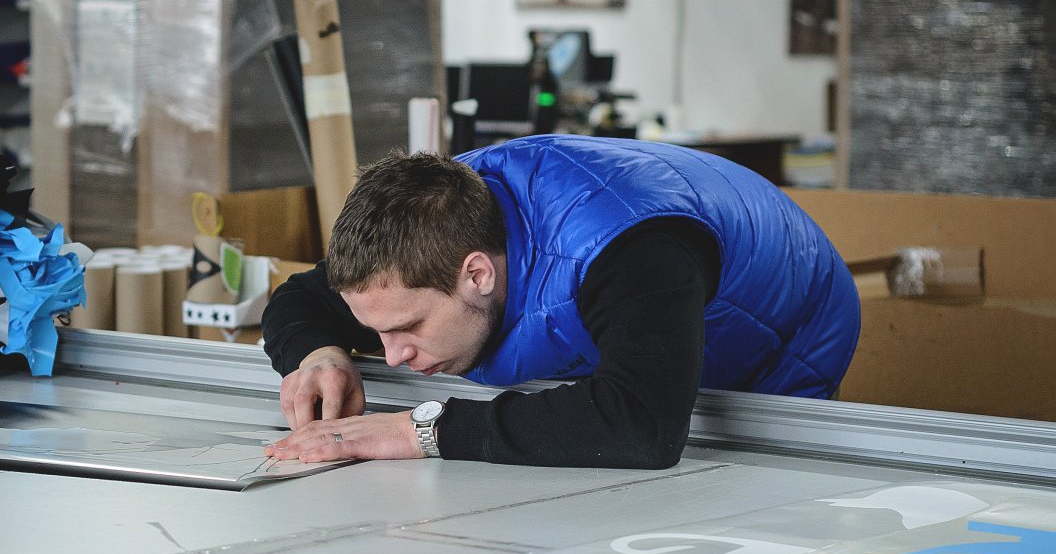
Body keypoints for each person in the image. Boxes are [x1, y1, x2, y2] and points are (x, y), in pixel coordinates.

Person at [261, 135, 859, 470]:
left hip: (786, 330)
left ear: (476, 274)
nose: (391, 357)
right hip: (630, 296)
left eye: (409, 328)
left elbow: (642, 428)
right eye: (378, 333)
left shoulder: (631, 252)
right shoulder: (422, 239)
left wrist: (416, 429)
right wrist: (318, 355)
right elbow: (298, 301)